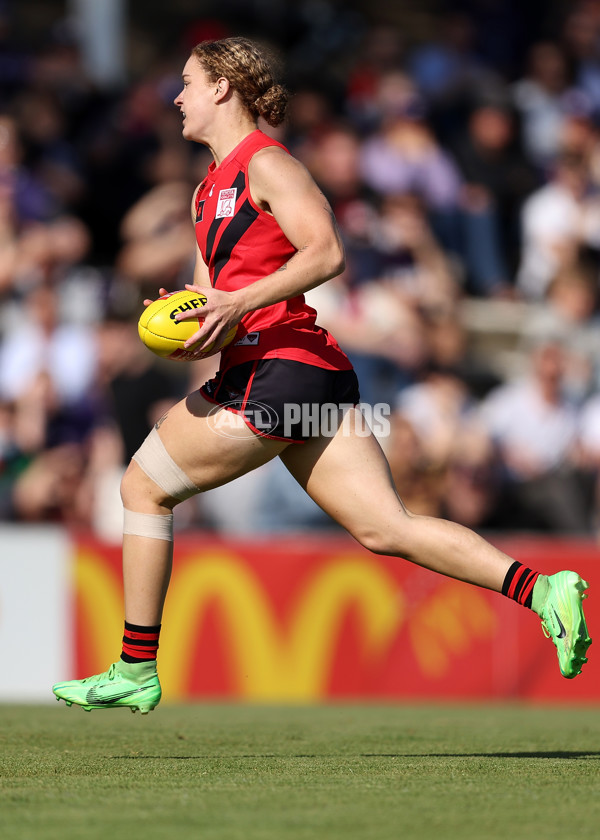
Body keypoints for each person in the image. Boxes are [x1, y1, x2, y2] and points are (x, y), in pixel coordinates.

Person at [52, 37, 591, 714]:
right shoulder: (204, 192)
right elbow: (205, 310)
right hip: (304, 381)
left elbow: (328, 250)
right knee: (386, 528)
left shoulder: (268, 164)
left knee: (142, 487)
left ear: (223, 87)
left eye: (187, 82)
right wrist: (178, 330)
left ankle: (134, 666)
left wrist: (238, 303)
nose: (177, 96)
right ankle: (545, 591)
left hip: (279, 372)